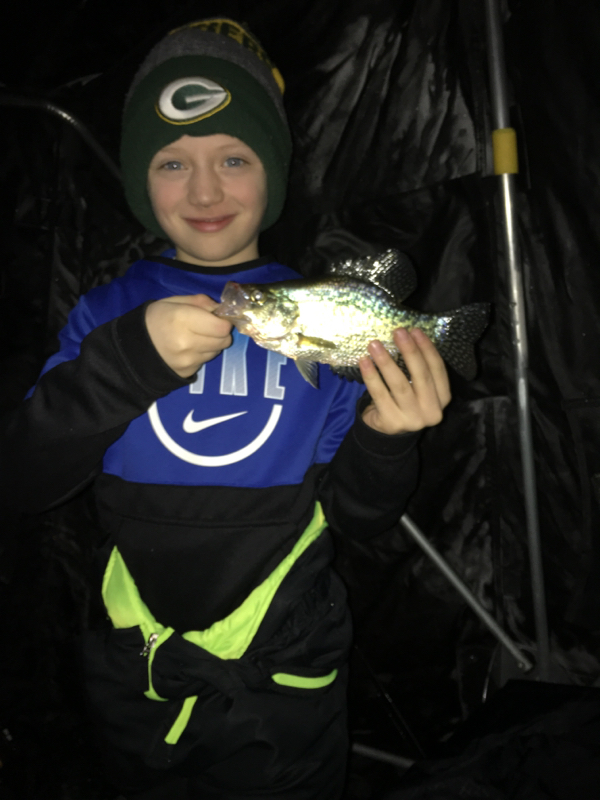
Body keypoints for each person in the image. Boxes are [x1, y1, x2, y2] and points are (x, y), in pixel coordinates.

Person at [0, 18, 451, 800]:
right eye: (172, 162)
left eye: (234, 159)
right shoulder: (106, 311)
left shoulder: (323, 320)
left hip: (285, 676)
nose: (204, 191)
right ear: (140, 179)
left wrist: (387, 437)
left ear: (274, 172)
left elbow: (360, 517)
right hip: (134, 668)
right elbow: (23, 479)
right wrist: (125, 362)